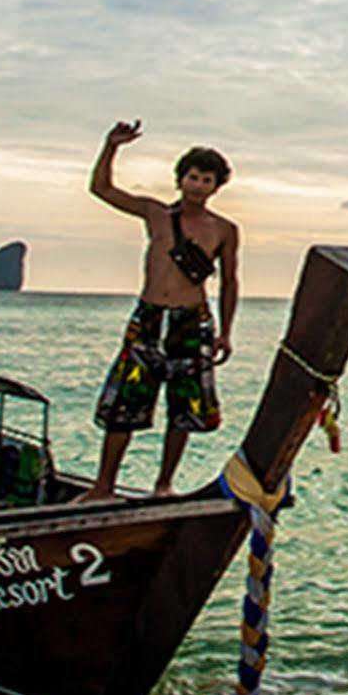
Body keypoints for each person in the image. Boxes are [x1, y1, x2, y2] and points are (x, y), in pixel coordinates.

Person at [75, 119, 240, 501]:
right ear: (181, 179)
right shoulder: (156, 214)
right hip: (149, 317)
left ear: (217, 187)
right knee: (124, 404)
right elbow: (101, 189)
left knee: (183, 408)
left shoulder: (224, 229)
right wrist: (111, 146)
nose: (198, 185)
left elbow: (230, 282)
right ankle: (103, 487)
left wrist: (226, 332)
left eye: (207, 180)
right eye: (193, 177)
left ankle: (164, 485)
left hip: (192, 321)